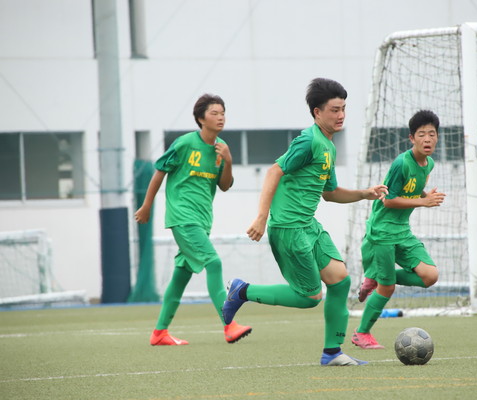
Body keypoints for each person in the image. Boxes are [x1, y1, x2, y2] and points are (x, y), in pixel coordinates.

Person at [221, 78, 388, 366]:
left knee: (340, 281)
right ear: (316, 112)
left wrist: (365, 193)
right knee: (310, 297)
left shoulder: (328, 146)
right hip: (288, 228)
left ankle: (332, 352)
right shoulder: (309, 140)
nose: (341, 115)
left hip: (309, 226)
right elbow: (274, 171)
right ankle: (243, 290)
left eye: (344, 109)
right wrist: (261, 217)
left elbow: (330, 193)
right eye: (334, 110)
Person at [135, 94, 252, 346]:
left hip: (202, 220)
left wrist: (229, 160)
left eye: (222, 112)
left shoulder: (221, 148)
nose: (220, 117)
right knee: (214, 262)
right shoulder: (185, 143)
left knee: (181, 275)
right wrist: (146, 206)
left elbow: (224, 185)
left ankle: (159, 333)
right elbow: (159, 172)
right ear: (201, 118)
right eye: (214, 113)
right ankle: (229, 324)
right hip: (183, 218)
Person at [351, 109, 445, 349]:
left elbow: (411, 190)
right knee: (388, 287)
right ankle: (361, 333)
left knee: (430, 276)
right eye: (421, 134)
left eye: (432, 134)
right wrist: (423, 202)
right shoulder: (401, 163)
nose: (427, 139)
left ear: (437, 137)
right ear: (411, 138)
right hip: (382, 232)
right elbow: (388, 200)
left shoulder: (429, 163)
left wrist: (425, 195)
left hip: (402, 231)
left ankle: (374, 278)